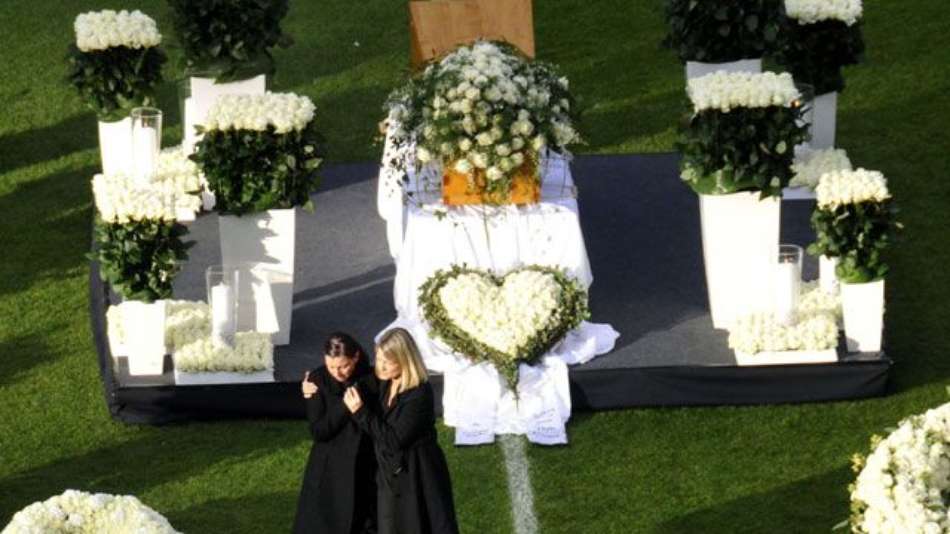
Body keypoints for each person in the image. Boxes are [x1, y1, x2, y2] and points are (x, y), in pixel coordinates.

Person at [342, 328, 459, 534]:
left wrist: (360, 412)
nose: (381, 366)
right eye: (379, 358)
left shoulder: (419, 394)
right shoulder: (385, 382)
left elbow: (394, 441)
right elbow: (348, 375)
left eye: (387, 361)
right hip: (390, 474)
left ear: (404, 360)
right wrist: (315, 381)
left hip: (416, 477)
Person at [293, 332, 378, 534]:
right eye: (331, 366)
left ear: (355, 357)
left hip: (365, 461)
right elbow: (319, 431)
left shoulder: (370, 379)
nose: (337, 372)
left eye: (343, 366)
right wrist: (345, 406)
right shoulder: (317, 380)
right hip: (330, 464)